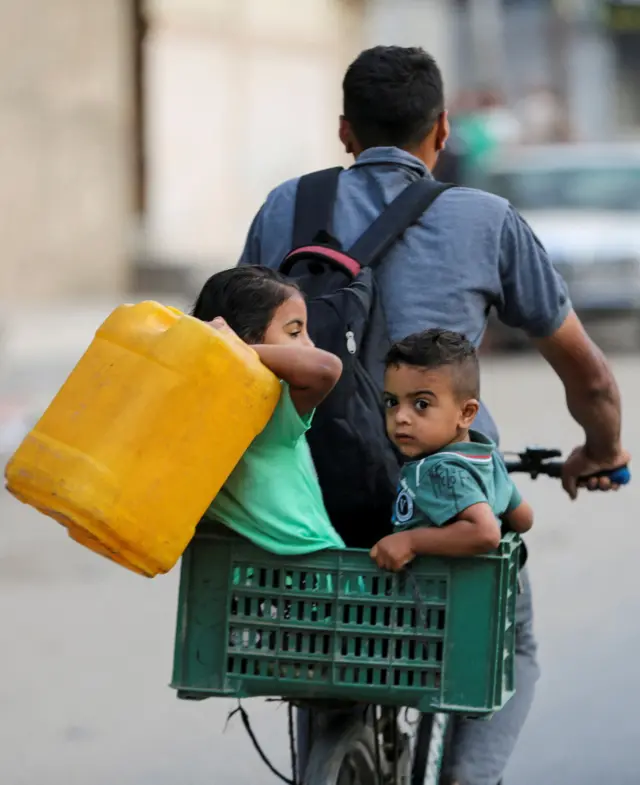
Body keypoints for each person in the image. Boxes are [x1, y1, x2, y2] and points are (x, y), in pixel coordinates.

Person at [237, 45, 628, 785]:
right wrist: (601, 449)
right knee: (514, 646)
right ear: (443, 130)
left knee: (314, 634)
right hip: (443, 491)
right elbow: (592, 377)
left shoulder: (286, 207)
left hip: (308, 487)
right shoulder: (487, 219)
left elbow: (235, 344)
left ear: (346, 130)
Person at [192, 266, 344, 555]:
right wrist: (233, 349)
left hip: (299, 569)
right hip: (299, 563)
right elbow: (326, 367)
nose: (309, 344)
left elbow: (325, 369)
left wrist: (227, 348)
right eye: (295, 332)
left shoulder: (275, 403)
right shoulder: (269, 408)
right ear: (248, 338)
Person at [370, 329, 532, 573]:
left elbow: (485, 533)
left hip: (436, 592)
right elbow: (523, 519)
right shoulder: (486, 456)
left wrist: (410, 541)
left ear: (466, 413)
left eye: (421, 404)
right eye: (392, 402)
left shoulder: (437, 470)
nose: (401, 417)